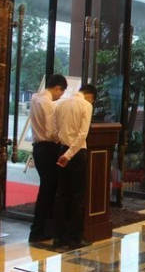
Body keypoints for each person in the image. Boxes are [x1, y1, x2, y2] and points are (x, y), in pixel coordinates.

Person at [53, 84, 96, 249]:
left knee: (61, 194)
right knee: (77, 196)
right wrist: (70, 154)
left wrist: (64, 152)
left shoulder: (61, 104)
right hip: (76, 154)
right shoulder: (86, 105)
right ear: (90, 96)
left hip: (62, 149)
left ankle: (59, 237)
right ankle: (74, 238)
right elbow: (83, 134)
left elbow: (56, 128)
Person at [28, 74, 68, 243]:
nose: (60, 96)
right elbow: (51, 131)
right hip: (48, 148)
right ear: (57, 88)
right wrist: (62, 137)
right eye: (61, 92)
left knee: (46, 188)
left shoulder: (35, 98)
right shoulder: (48, 104)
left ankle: (40, 229)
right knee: (48, 191)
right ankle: (39, 230)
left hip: (38, 148)